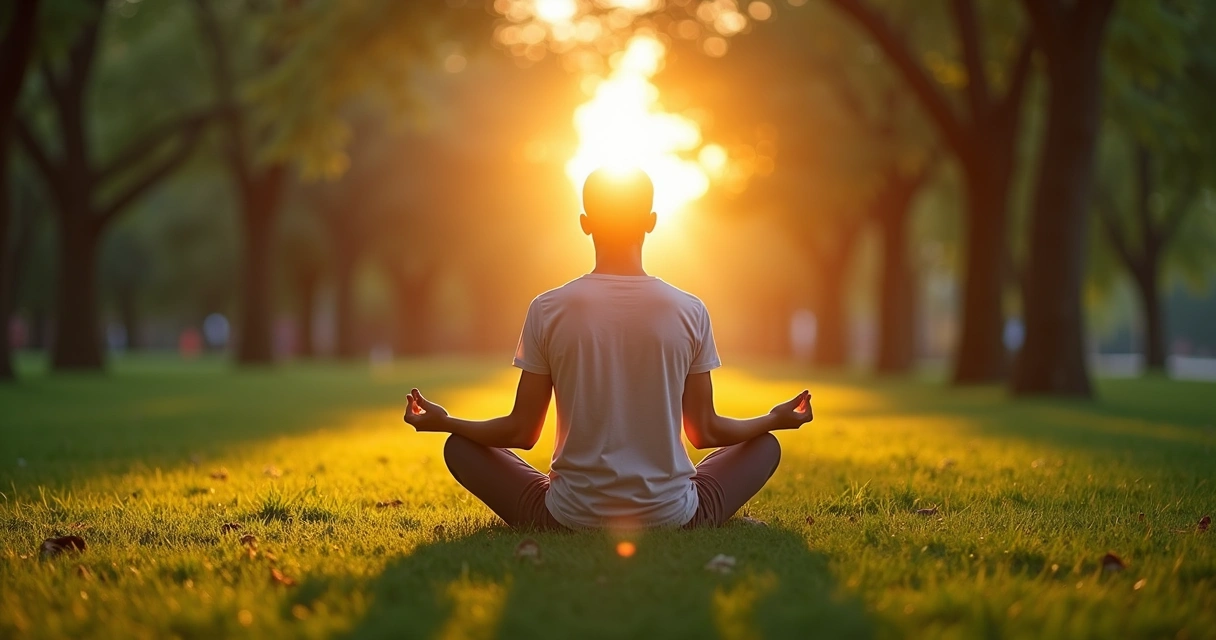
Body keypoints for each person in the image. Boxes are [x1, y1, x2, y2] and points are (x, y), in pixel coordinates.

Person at [403, 167, 813, 530]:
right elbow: (704, 431)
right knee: (764, 444)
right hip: (672, 515)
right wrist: (772, 418)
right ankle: (689, 512)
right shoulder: (690, 310)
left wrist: (447, 421)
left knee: (459, 446)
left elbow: (522, 432)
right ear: (652, 222)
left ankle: (567, 506)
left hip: (568, 514)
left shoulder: (548, 308)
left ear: (585, 223)